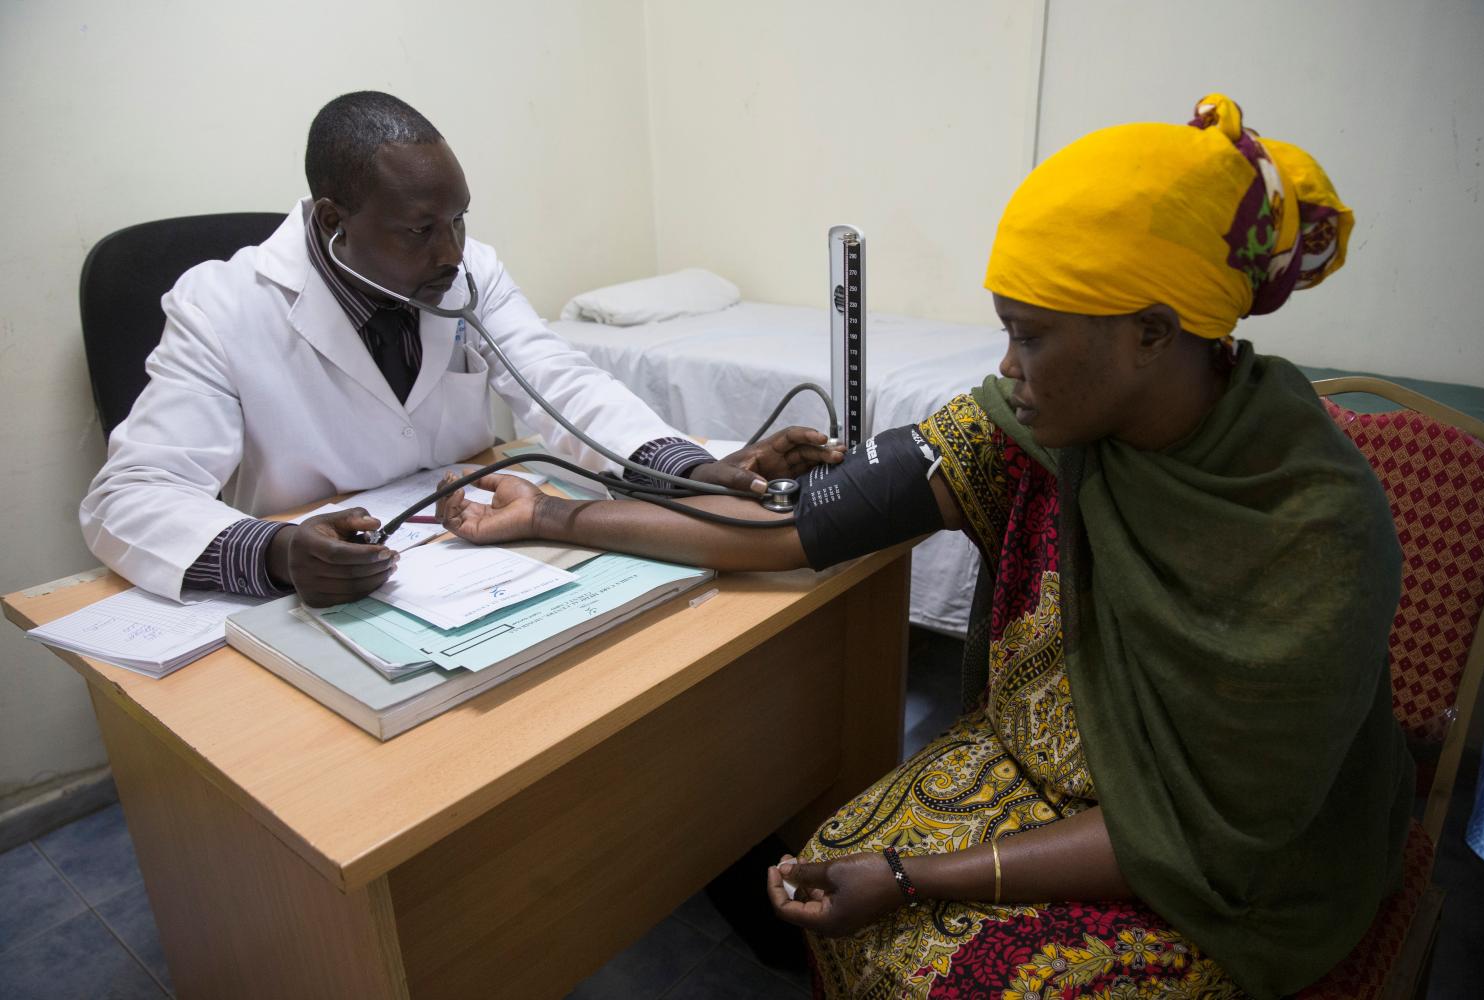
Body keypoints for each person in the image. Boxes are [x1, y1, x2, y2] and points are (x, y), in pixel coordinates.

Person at [432, 94, 1413, 998]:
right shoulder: (1033, 427)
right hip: (1053, 776)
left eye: (1030, 336)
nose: (1006, 367)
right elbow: (792, 526)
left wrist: (914, 876)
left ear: (1153, 334)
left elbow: (1205, 837)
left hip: (1239, 876)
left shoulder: (1315, 534)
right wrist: (556, 518)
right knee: (832, 846)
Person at [79, 91, 840, 607]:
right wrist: (276, 553)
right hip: (326, 596)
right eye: (420, 230)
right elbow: (128, 497)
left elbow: (558, 382)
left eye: (459, 221)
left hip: (474, 559)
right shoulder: (221, 306)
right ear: (336, 221)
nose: (452, 252)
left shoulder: (471, 273)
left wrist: (693, 466)